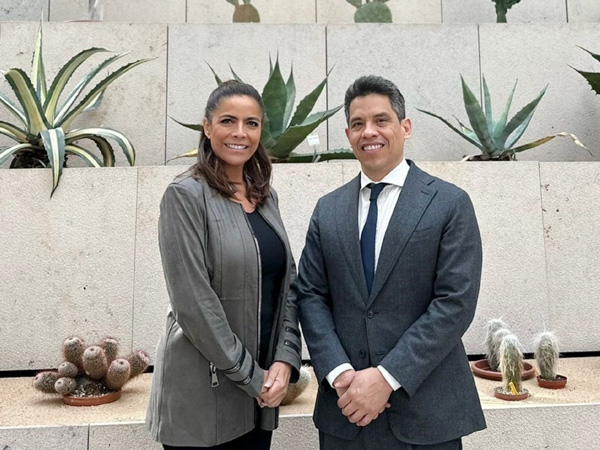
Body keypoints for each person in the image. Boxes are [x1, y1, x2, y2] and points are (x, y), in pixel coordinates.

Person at [297, 75, 486, 450]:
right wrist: (339, 373)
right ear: (348, 135)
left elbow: (455, 302)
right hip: (345, 413)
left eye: (381, 120)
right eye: (357, 123)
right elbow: (310, 294)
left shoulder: (450, 203)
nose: (369, 131)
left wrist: (387, 377)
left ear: (405, 127)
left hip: (427, 415)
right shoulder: (327, 210)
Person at [146, 80, 302, 450]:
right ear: (207, 127)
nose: (240, 133)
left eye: (251, 123)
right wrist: (252, 377)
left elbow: (287, 286)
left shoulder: (265, 196)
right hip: (203, 396)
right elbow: (193, 303)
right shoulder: (185, 196)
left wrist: (285, 360)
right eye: (228, 121)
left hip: (261, 393)